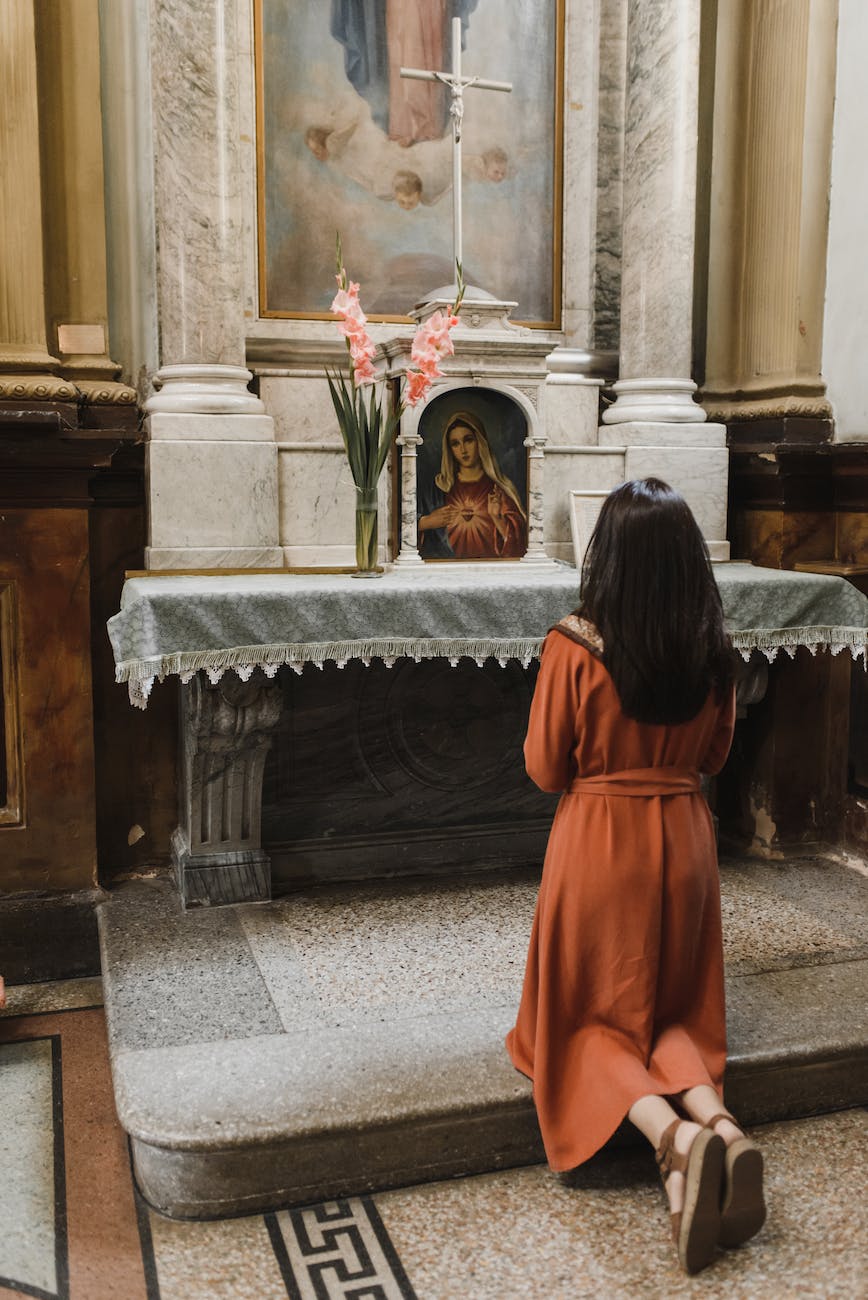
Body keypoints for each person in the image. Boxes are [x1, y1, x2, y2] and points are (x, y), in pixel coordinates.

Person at [507, 478, 765, 1275]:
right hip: (685, 840)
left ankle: (672, 1138)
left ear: (606, 556)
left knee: (588, 1019)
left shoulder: (575, 644)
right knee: (670, 1009)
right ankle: (721, 1125)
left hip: (601, 844)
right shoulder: (712, 651)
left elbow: (547, 769)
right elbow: (716, 759)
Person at [418, 412, 527, 558]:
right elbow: (401, 532)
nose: (463, 450)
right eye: (455, 444)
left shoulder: (499, 489)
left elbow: (519, 545)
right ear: (449, 449)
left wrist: (497, 518)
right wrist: (426, 522)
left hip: (492, 572)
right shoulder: (437, 488)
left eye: (468, 440)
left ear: (480, 442)